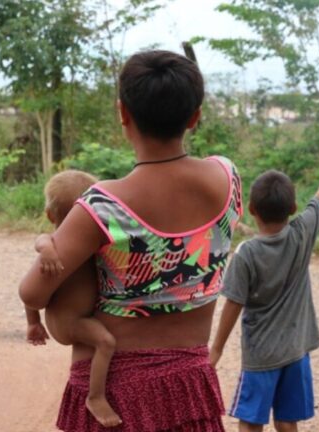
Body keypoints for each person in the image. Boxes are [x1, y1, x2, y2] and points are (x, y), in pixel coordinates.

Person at [19, 50, 243, 431]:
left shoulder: (103, 207)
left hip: (115, 395)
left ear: (123, 113)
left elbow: (34, 292)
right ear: (195, 116)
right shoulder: (227, 178)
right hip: (189, 386)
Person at [209, 127, 319, 432]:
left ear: (252, 210)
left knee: (250, 421)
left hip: (261, 355)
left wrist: (217, 348)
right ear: (293, 208)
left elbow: (233, 303)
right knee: (288, 421)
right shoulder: (302, 233)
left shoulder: (246, 253)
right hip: (297, 351)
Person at [23, 169, 123, 427]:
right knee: (106, 342)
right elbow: (41, 241)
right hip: (68, 322)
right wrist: (46, 250)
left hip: (74, 317)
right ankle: (95, 396)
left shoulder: (92, 242)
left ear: (49, 213)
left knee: (105, 340)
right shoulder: (53, 244)